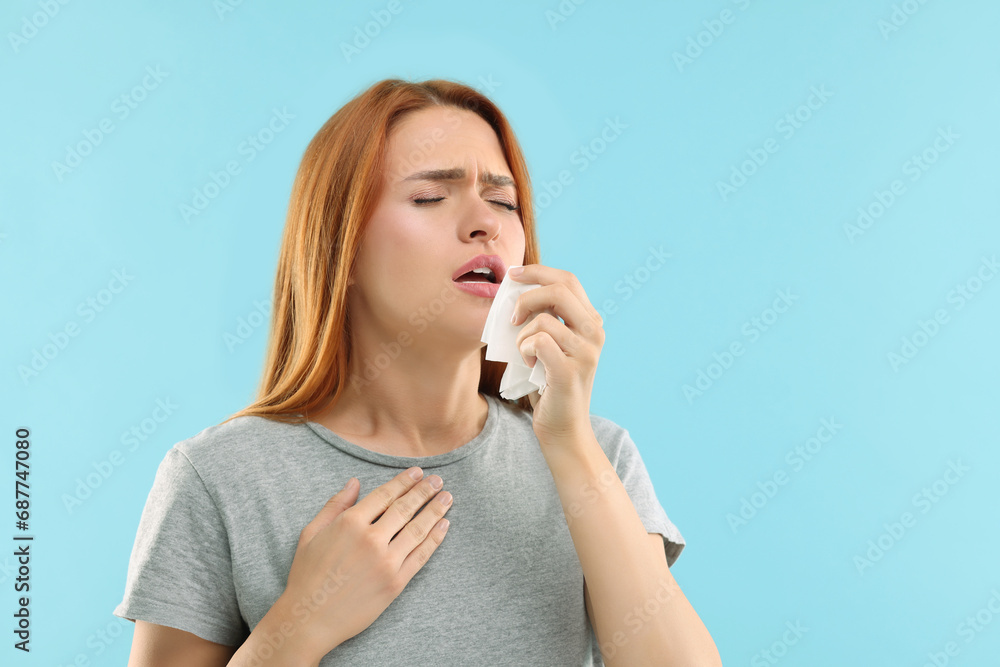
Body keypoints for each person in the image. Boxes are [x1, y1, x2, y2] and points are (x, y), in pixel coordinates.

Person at [113, 77, 722, 666]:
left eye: (504, 201)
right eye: (432, 197)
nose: (486, 223)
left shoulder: (600, 456)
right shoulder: (218, 478)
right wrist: (301, 624)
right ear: (340, 247)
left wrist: (569, 443)